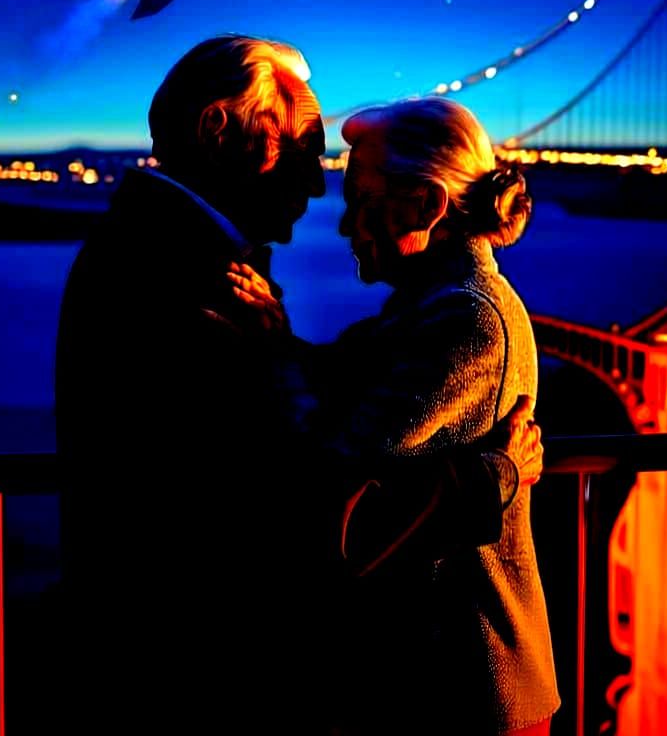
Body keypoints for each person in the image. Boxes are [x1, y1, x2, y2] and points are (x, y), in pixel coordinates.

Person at [54, 35, 543, 733]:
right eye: (306, 149)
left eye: (348, 183)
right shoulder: (187, 274)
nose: (320, 190)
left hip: (446, 681)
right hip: (197, 662)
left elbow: (324, 461)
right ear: (219, 129)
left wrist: (281, 349)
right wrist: (494, 473)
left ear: (429, 205)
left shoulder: (457, 313)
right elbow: (306, 499)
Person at [231, 96, 561, 734]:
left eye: (362, 201)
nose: (346, 225)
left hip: (465, 684)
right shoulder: (431, 301)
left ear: (426, 205)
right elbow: (346, 379)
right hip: (445, 674)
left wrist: (497, 472)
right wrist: (278, 340)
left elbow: (336, 467)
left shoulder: (466, 318)